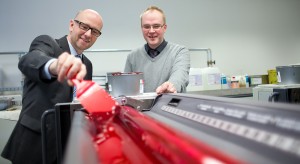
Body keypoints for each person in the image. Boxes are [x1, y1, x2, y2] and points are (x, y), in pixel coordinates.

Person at [1, 9, 103, 164]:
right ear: (71, 25)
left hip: (66, 145)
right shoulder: (48, 43)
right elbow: (29, 60)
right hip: (35, 144)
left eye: (94, 31)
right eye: (84, 26)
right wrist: (54, 65)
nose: (88, 34)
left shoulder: (87, 65)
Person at [124, 6, 190, 94]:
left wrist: (170, 86)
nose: (151, 31)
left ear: (164, 28)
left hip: (170, 106)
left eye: (156, 26)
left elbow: (180, 76)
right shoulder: (132, 57)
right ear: (141, 28)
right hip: (141, 107)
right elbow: (126, 88)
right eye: (146, 26)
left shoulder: (180, 52)